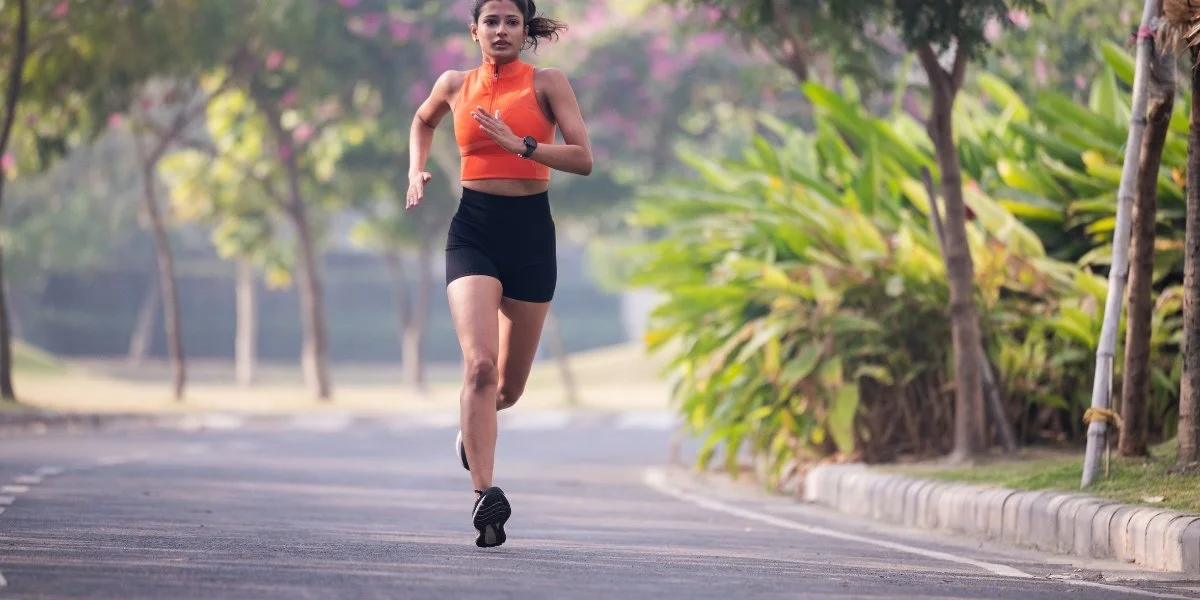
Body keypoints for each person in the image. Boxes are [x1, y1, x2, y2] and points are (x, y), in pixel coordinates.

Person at [405, 0, 593, 548]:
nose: (502, 30)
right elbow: (422, 120)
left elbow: (584, 158)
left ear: (525, 30)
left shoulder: (547, 83)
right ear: (475, 30)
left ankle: (472, 430)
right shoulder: (453, 83)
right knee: (480, 367)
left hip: (532, 236)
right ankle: (485, 495)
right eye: (492, 21)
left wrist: (523, 145)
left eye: (512, 21)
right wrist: (416, 166)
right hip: (475, 232)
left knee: (507, 389)